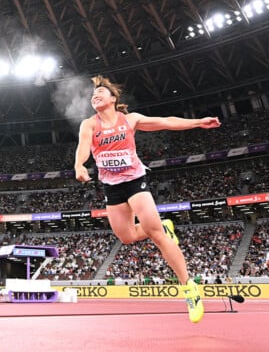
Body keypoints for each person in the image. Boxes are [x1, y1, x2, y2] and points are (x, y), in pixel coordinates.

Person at [74, 75, 220, 323]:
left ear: (113, 98)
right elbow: (83, 146)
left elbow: (166, 122)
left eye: (101, 92)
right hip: (112, 187)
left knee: (154, 233)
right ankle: (163, 226)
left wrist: (198, 122)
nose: (95, 95)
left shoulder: (130, 120)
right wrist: (79, 165)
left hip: (134, 181)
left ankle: (190, 289)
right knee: (127, 236)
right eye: (93, 94)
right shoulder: (89, 124)